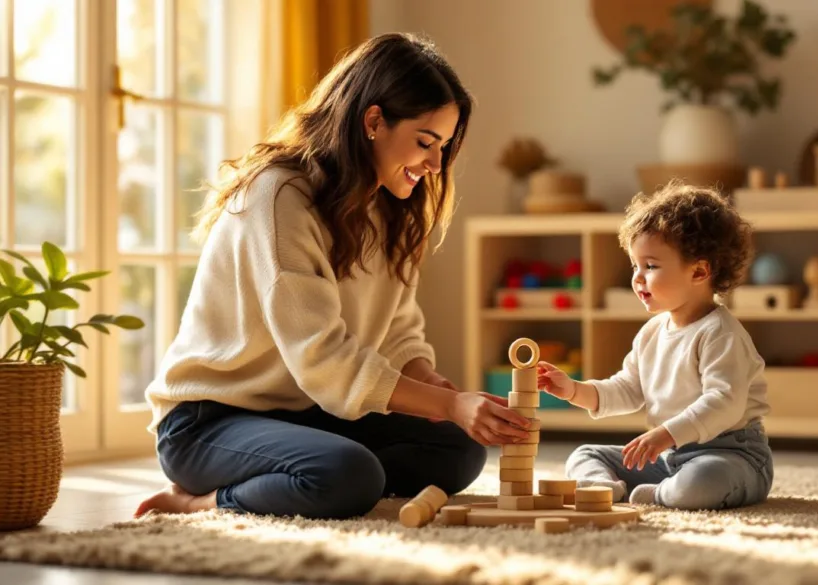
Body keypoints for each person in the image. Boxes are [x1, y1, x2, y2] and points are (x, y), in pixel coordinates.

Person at [135, 33, 532, 521]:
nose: (434, 165)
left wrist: (439, 392)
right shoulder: (279, 196)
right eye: (426, 143)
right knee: (349, 475)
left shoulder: (390, 207)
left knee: (458, 449)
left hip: (307, 410)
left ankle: (303, 480)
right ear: (373, 121)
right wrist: (449, 404)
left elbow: (397, 333)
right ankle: (201, 500)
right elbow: (324, 361)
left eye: (443, 148)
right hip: (208, 421)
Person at [537, 180, 773, 510]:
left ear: (699, 271)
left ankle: (662, 494)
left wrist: (664, 433)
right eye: (635, 265)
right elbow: (628, 388)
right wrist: (573, 390)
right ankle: (605, 488)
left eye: (651, 266)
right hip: (670, 455)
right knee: (585, 454)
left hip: (730, 454)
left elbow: (724, 403)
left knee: (703, 481)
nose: (637, 277)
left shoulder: (721, 333)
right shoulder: (651, 333)